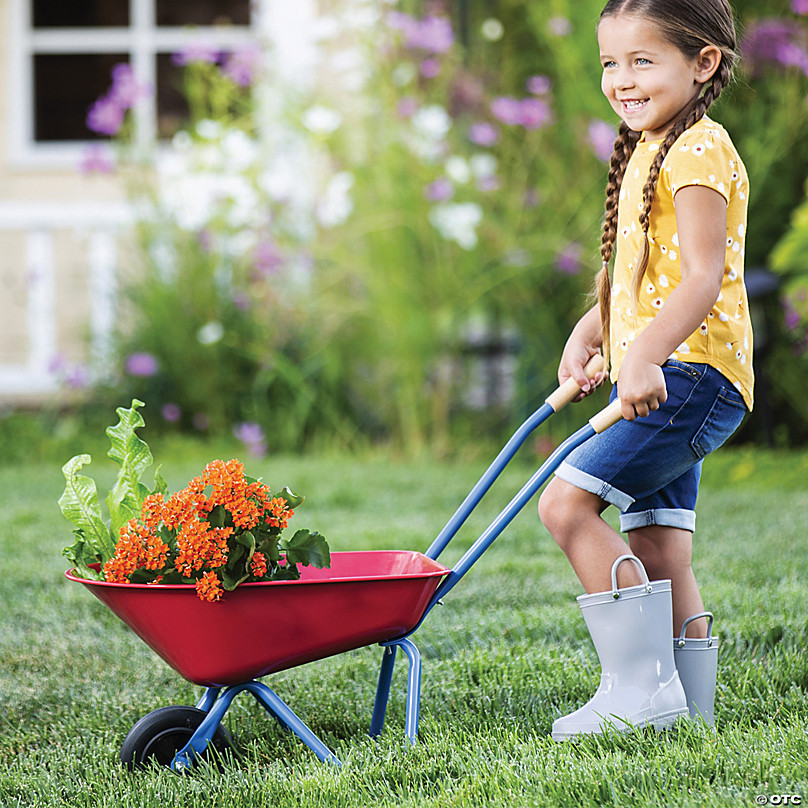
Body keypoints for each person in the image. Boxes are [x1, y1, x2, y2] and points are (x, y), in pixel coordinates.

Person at [538, 0, 752, 740]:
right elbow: (647, 271)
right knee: (660, 543)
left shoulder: (697, 150)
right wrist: (597, 327)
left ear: (703, 63)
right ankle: (687, 710)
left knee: (565, 506)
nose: (621, 79)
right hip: (676, 369)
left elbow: (701, 277)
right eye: (609, 63)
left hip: (687, 375)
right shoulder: (652, 144)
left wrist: (643, 354)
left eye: (641, 60)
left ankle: (638, 689)